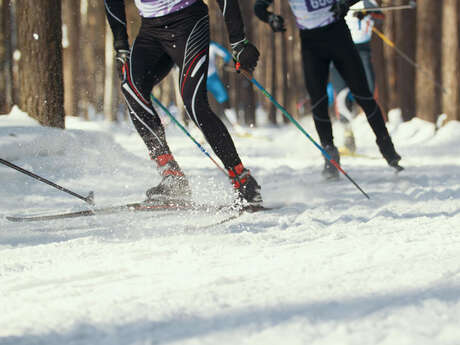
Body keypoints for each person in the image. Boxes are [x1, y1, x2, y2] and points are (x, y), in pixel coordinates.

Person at [104, 0, 262, 206]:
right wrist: (121, 47)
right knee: (131, 88)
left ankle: (242, 179)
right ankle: (172, 177)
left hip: (189, 23)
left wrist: (238, 41)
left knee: (194, 103)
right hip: (150, 30)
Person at [254, 0, 402, 180]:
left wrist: (344, 3)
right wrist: (270, 18)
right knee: (318, 101)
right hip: (311, 44)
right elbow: (259, 7)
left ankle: (388, 149)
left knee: (363, 95)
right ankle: (330, 155)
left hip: (338, 35)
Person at [329, 0, 384, 153]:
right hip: (340, 48)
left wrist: (367, 14)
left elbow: (380, 18)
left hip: (362, 50)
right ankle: (347, 134)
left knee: (369, 90)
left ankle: (382, 139)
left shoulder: (368, 2)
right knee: (341, 94)